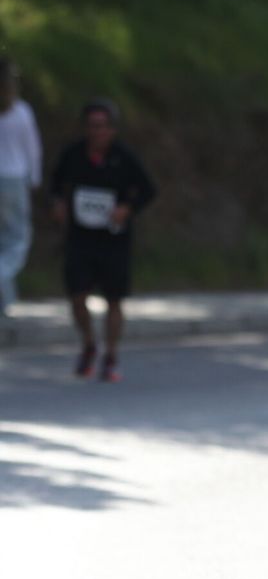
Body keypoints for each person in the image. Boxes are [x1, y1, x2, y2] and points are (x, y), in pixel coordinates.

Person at [51, 99, 157, 382]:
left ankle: (110, 356)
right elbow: (55, 183)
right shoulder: (73, 154)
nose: (96, 132)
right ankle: (88, 343)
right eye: (91, 126)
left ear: (112, 129)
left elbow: (148, 190)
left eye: (101, 127)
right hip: (80, 237)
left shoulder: (124, 157)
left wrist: (127, 209)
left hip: (113, 238)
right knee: (76, 296)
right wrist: (59, 202)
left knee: (114, 299)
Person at [0, 58, 42, 316]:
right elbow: (32, 150)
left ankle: (5, 301)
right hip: (13, 179)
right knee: (18, 239)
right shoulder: (21, 112)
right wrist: (34, 179)